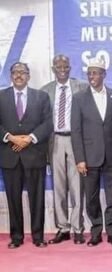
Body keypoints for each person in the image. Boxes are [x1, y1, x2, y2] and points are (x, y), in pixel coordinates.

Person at [0, 62, 53, 248]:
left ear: (29, 76)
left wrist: (29, 138)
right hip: (9, 155)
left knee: (36, 198)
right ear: (10, 75)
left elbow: (48, 123)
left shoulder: (41, 97)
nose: (19, 75)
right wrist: (10, 137)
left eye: (22, 72)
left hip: (34, 154)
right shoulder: (1, 96)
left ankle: (38, 237)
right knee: (13, 200)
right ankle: (16, 237)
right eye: (15, 72)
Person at [71, 57, 112, 247]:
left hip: (111, 155)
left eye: (96, 72)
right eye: (89, 73)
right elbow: (75, 130)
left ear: (104, 75)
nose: (92, 76)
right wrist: (80, 159)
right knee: (91, 197)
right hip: (89, 157)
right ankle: (96, 231)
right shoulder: (79, 98)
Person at [41, 54, 88, 245]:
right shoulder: (45, 91)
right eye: (58, 66)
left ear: (70, 68)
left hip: (76, 141)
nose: (62, 69)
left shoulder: (82, 87)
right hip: (55, 141)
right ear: (53, 69)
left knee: (77, 187)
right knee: (59, 187)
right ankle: (63, 227)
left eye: (65, 66)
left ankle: (78, 228)